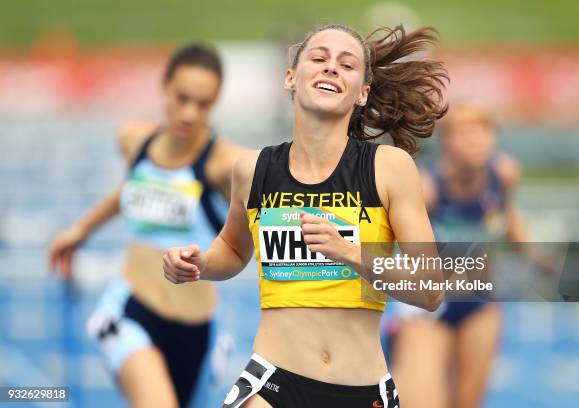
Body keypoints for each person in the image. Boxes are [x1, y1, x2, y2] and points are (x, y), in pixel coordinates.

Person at [163, 24, 448, 407]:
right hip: (272, 383)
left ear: (362, 93)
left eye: (346, 65)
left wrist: (348, 252)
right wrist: (200, 263)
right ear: (291, 78)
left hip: (363, 392)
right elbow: (232, 248)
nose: (331, 68)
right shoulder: (252, 170)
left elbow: (430, 291)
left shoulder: (388, 168)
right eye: (319, 58)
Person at [48, 43, 242, 408]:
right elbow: (135, 186)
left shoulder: (221, 164)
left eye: (203, 104)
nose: (189, 113)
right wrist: (82, 229)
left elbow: (274, 180)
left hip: (197, 331)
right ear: (164, 87)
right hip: (131, 311)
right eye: (181, 98)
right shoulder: (133, 140)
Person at [386, 104, 529, 408]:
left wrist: (533, 253)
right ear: (448, 142)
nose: (476, 140)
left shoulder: (504, 174)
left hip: (479, 303)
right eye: (465, 133)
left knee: (467, 402)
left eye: (483, 132)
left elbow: (509, 214)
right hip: (428, 307)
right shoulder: (427, 188)